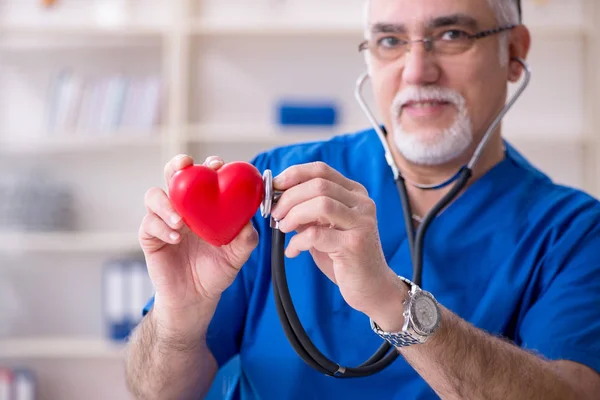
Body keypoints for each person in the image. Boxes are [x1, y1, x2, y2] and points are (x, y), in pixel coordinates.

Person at [124, 0, 600, 398]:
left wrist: (392, 301)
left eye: (452, 34)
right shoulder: (273, 185)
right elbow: (155, 392)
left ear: (514, 52)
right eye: (391, 41)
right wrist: (178, 317)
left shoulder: (573, 231)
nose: (417, 70)